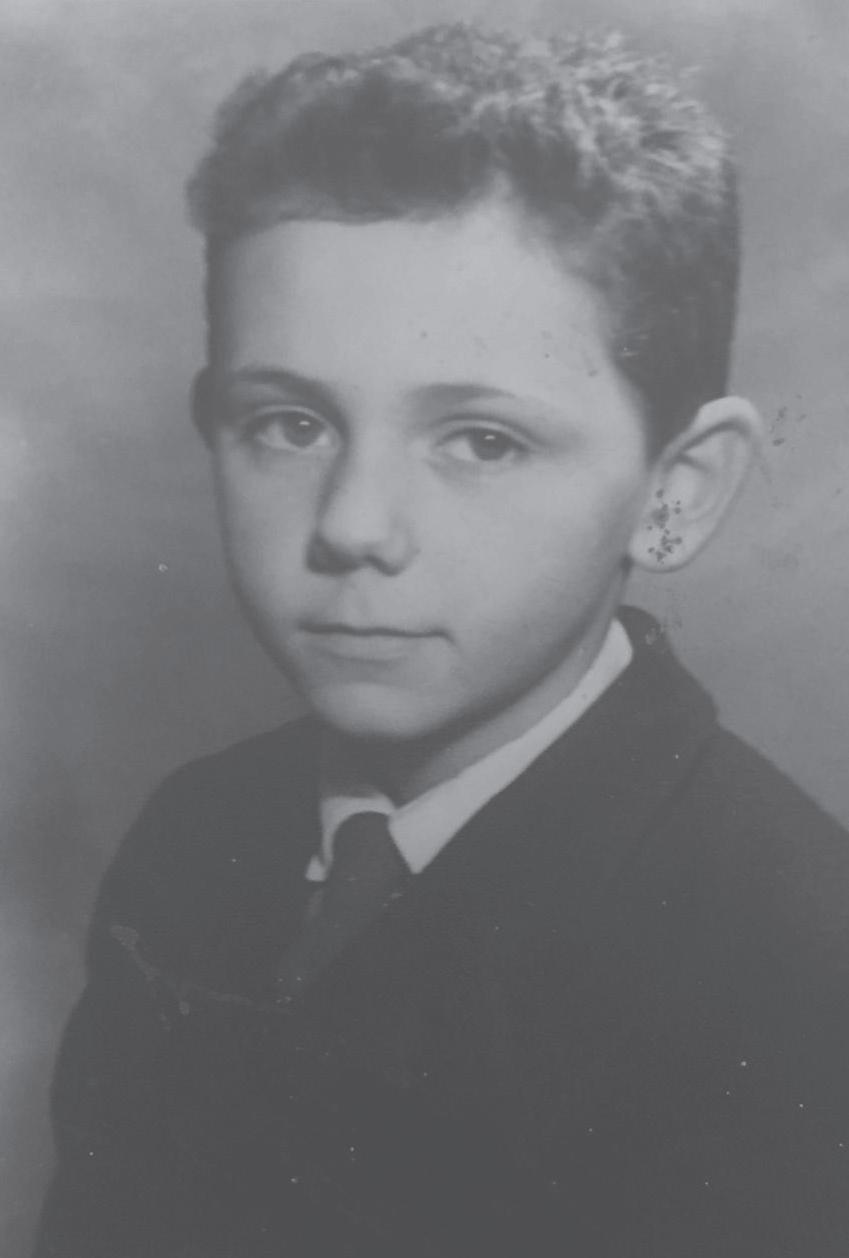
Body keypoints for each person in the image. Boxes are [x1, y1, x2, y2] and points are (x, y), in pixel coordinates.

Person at [35, 21, 849, 1257]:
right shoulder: (195, 837)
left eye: (482, 440)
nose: (352, 526)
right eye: (290, 423)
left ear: (675, 491)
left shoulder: (792, 964)